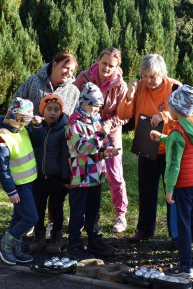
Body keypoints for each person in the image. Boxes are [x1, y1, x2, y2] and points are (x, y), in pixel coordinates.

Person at [117, 53, 182, 243]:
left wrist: (165, 116)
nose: (148, 80)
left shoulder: (176, 87)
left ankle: (176, 235)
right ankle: (145, 229)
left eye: (152, 76)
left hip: (171, 147)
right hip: (146, 144)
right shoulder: (139, 88)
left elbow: (188, 117)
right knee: (146, 190)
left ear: (163, 73)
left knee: (172, 193)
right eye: (145, 76)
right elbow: (123, 114)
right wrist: (129, 94)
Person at [14, 51, 80, 238]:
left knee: (56, 194)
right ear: (54, 63)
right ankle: (28, 221)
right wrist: (25, 123)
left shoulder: (73, 90)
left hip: (58, 147)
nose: (68, 73)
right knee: (32, 189)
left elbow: (75, 116)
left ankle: (53, 226)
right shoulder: (34, 81)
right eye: (65, 67)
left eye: (72, 70)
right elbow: (17, 100)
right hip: (32, 142)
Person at [150, 85, 193, 278]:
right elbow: (182, 144)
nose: (168, 108)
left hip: (182, 185)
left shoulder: (177, 132)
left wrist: (169, 188)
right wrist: (163, 138)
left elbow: (173, 164)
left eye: (171, 105)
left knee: (183, 225)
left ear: (177, 109)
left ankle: (185, 266)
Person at [74, 47, 129, 233]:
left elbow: (125, 114)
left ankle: (120, 214)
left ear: (117, 66)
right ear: (98, 60)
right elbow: (73, 99)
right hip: (86, 125)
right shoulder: (84, 77)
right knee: (83, 166)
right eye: (104, 63)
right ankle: (79, 214)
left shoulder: (121, 85)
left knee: (114, 172)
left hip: (110, 128)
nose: (106, 68)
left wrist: (109, 124)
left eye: (111, 65)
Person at [0, 97, 44, 265]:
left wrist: (37, 126)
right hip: (18, 186)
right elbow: (1, 168)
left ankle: (13, 248)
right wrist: (11, 190)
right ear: (11, 116)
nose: (22, 127)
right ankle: (5, 245)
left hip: (28, 181)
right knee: (31, 218)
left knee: (19, 217)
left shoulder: (19, 128)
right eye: (20, 123)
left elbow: (37, 143)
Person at [66, 82, 120, 259]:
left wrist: (107, 150)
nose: (98, 110)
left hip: (96, 176)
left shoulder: (94, 121)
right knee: (78, 213)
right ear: (86, 104)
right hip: (81, 177)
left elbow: (98, 146)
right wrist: (101, 135)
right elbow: (82, 147)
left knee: (93, 212)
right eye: (96, 106)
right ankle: (74, 243)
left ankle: (93, 240)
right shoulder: (76, 123)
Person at [29, 94, 70, 253]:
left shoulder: (63, 130)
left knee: (56, 208)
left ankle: (56, 237)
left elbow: (66, 155)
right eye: (49, 109)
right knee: (38, 208)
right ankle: (39, 236)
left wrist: (66, 178)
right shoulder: (35, 128)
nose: (53, 113)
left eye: (56, 110)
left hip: (57, 178)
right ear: (42, 111)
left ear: (61, 111)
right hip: (38, 177)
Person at [14, 51, 80, 117]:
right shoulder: (34, 80)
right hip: (29, 126)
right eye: (66, 68)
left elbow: (78, 117)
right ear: (54, 65)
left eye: (71, 71)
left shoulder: (74, 92)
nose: (68, 73)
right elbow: (16, 102)